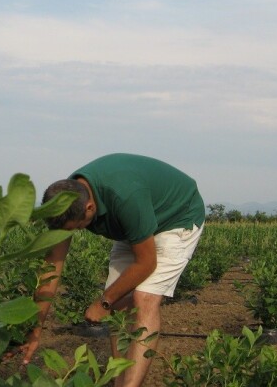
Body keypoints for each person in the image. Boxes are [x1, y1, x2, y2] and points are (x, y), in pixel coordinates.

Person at [20, 153, 205, 387]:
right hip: (135, 225)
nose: (76, 232)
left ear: (89, 207)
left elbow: (147, 263)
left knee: (144, 298)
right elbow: (52, 267)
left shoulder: (125, 197)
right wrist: (35, 328)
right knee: (119, 306)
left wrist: (104, 302)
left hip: (177, 217)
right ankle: (118, 381)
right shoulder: (65, 201)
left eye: (78, 228)